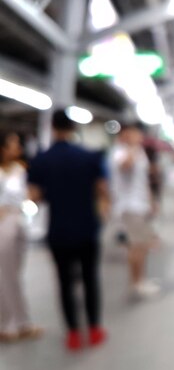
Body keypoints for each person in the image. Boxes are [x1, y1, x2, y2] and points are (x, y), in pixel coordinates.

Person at [28, 110, 108, 351]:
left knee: (64, 282)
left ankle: (73, 333)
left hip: (58, 229)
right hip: (87, 226)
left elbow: (34, 196)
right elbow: (102, 190)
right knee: (90, 278)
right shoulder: (89, 157)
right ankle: (94, 329)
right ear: (74, 128)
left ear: (52, 128)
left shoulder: (41, 159)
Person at [109, 122, 160, 299]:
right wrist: (131, 146)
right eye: (135, 134)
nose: (139, 137)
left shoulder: (139, 152)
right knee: (136, 246)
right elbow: (126, 166)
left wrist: (151, 201)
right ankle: (136, 283)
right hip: (129, 206)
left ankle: (140, 279)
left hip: (141, 205)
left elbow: (143, 179)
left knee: (143, 245)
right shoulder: (119, 152)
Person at [0, 133, 43, 343]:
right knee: (5, 276)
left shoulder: (19, 170)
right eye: (12, 144)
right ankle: (9, 323)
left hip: (18, 221)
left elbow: (29, 193)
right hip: (3, 222)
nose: (17, 148)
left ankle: (19, 321)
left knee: (13, 276)